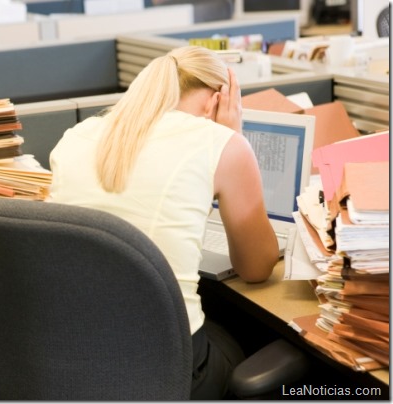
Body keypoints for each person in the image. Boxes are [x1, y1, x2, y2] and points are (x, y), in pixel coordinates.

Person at [47, 45, 280, 399]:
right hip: (168, 367)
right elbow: (256, 268)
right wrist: (231, 135)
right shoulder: (221, 142)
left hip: (72, 356)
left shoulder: (76, 136)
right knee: (249, 334)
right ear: (218, 99)